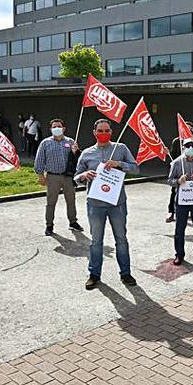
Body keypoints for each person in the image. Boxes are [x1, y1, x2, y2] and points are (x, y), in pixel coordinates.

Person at [74, 119, 140, 289]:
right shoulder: (87, 153)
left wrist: (119, 164)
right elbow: (76, 177)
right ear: (94, 132)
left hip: (117, 203)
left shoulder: (121, 148)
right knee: (96, 241)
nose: (104, 134)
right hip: (95, 205)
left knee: (121, 239)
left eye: (107, 131)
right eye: (100, 131)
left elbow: (135, 168)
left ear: (111, 131)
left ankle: (125, 273)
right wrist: (83, 176)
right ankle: (94, 274)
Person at [34, 119, 84, 236]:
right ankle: (49, 225)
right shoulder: (45, 143)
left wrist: (76, 151)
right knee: (51, 202)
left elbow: (78, 159)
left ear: (63, 128)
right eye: (54, 127)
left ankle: (73, 222)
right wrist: (40, 175)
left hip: (68, 177)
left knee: (71, 201)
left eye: (59, 126)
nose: (57, 128)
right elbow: (39, 160)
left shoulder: (71, 142)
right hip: (52, 177)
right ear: (51, 129)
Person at [165, 121, 193, 223]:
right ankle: (171, 212)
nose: (188, 130)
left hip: (191, 171)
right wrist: (167, 153)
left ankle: (189, 212)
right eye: (186, 128)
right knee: (174, 192)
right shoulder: (176, 141)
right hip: (178, 171)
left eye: (190, 129)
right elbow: (172, 157)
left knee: (190, 192)